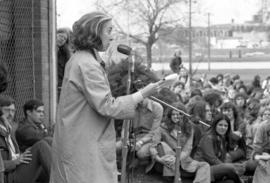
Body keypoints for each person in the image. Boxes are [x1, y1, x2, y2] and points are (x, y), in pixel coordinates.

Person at [50, 12, 163, 183]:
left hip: (80, 140)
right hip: (83, 145)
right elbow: (108, 106)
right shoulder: (87, 64)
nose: (112, 36)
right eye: (109, 31)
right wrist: (142, 94)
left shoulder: (82, 59)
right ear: (94, 32)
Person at [149, 102, 211, 183]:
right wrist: (160, 159)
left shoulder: (189, 128)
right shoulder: (162, 127)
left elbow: (187, 149)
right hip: (167, 162)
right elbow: (153, 147)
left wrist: (177, 159)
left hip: (183, 161)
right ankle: (174, 176)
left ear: (184, 115)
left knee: (205, 165)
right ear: (169, 115)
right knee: (163, 145)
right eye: (173, 114)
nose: (176, 116)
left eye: (179, 114)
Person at [0, 95, 52, 183]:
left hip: (18, 167)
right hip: (8, 176)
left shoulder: (9, 129)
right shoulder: (23, 128)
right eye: (7, 110)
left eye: (13, 111)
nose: (10, 114)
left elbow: (13, 153)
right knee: (42, 145)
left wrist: (21, 154)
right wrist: (15, 162)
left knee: (47, 143)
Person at [194, 114, 243, 183]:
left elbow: (222, 158)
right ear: (215, 125)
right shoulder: (207, 138)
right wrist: (226, 166)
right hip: (203, 169)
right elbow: (212, 159)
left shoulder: (221, 137)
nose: (223, 128)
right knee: (231, 168)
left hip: (214, 168)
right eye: (220, 125)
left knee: (230, 181)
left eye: (226, 126)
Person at [56, 28, 73, 99]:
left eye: (64, 38)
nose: (62, 39)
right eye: (60, 36)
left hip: (59, 86)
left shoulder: (65, 54)